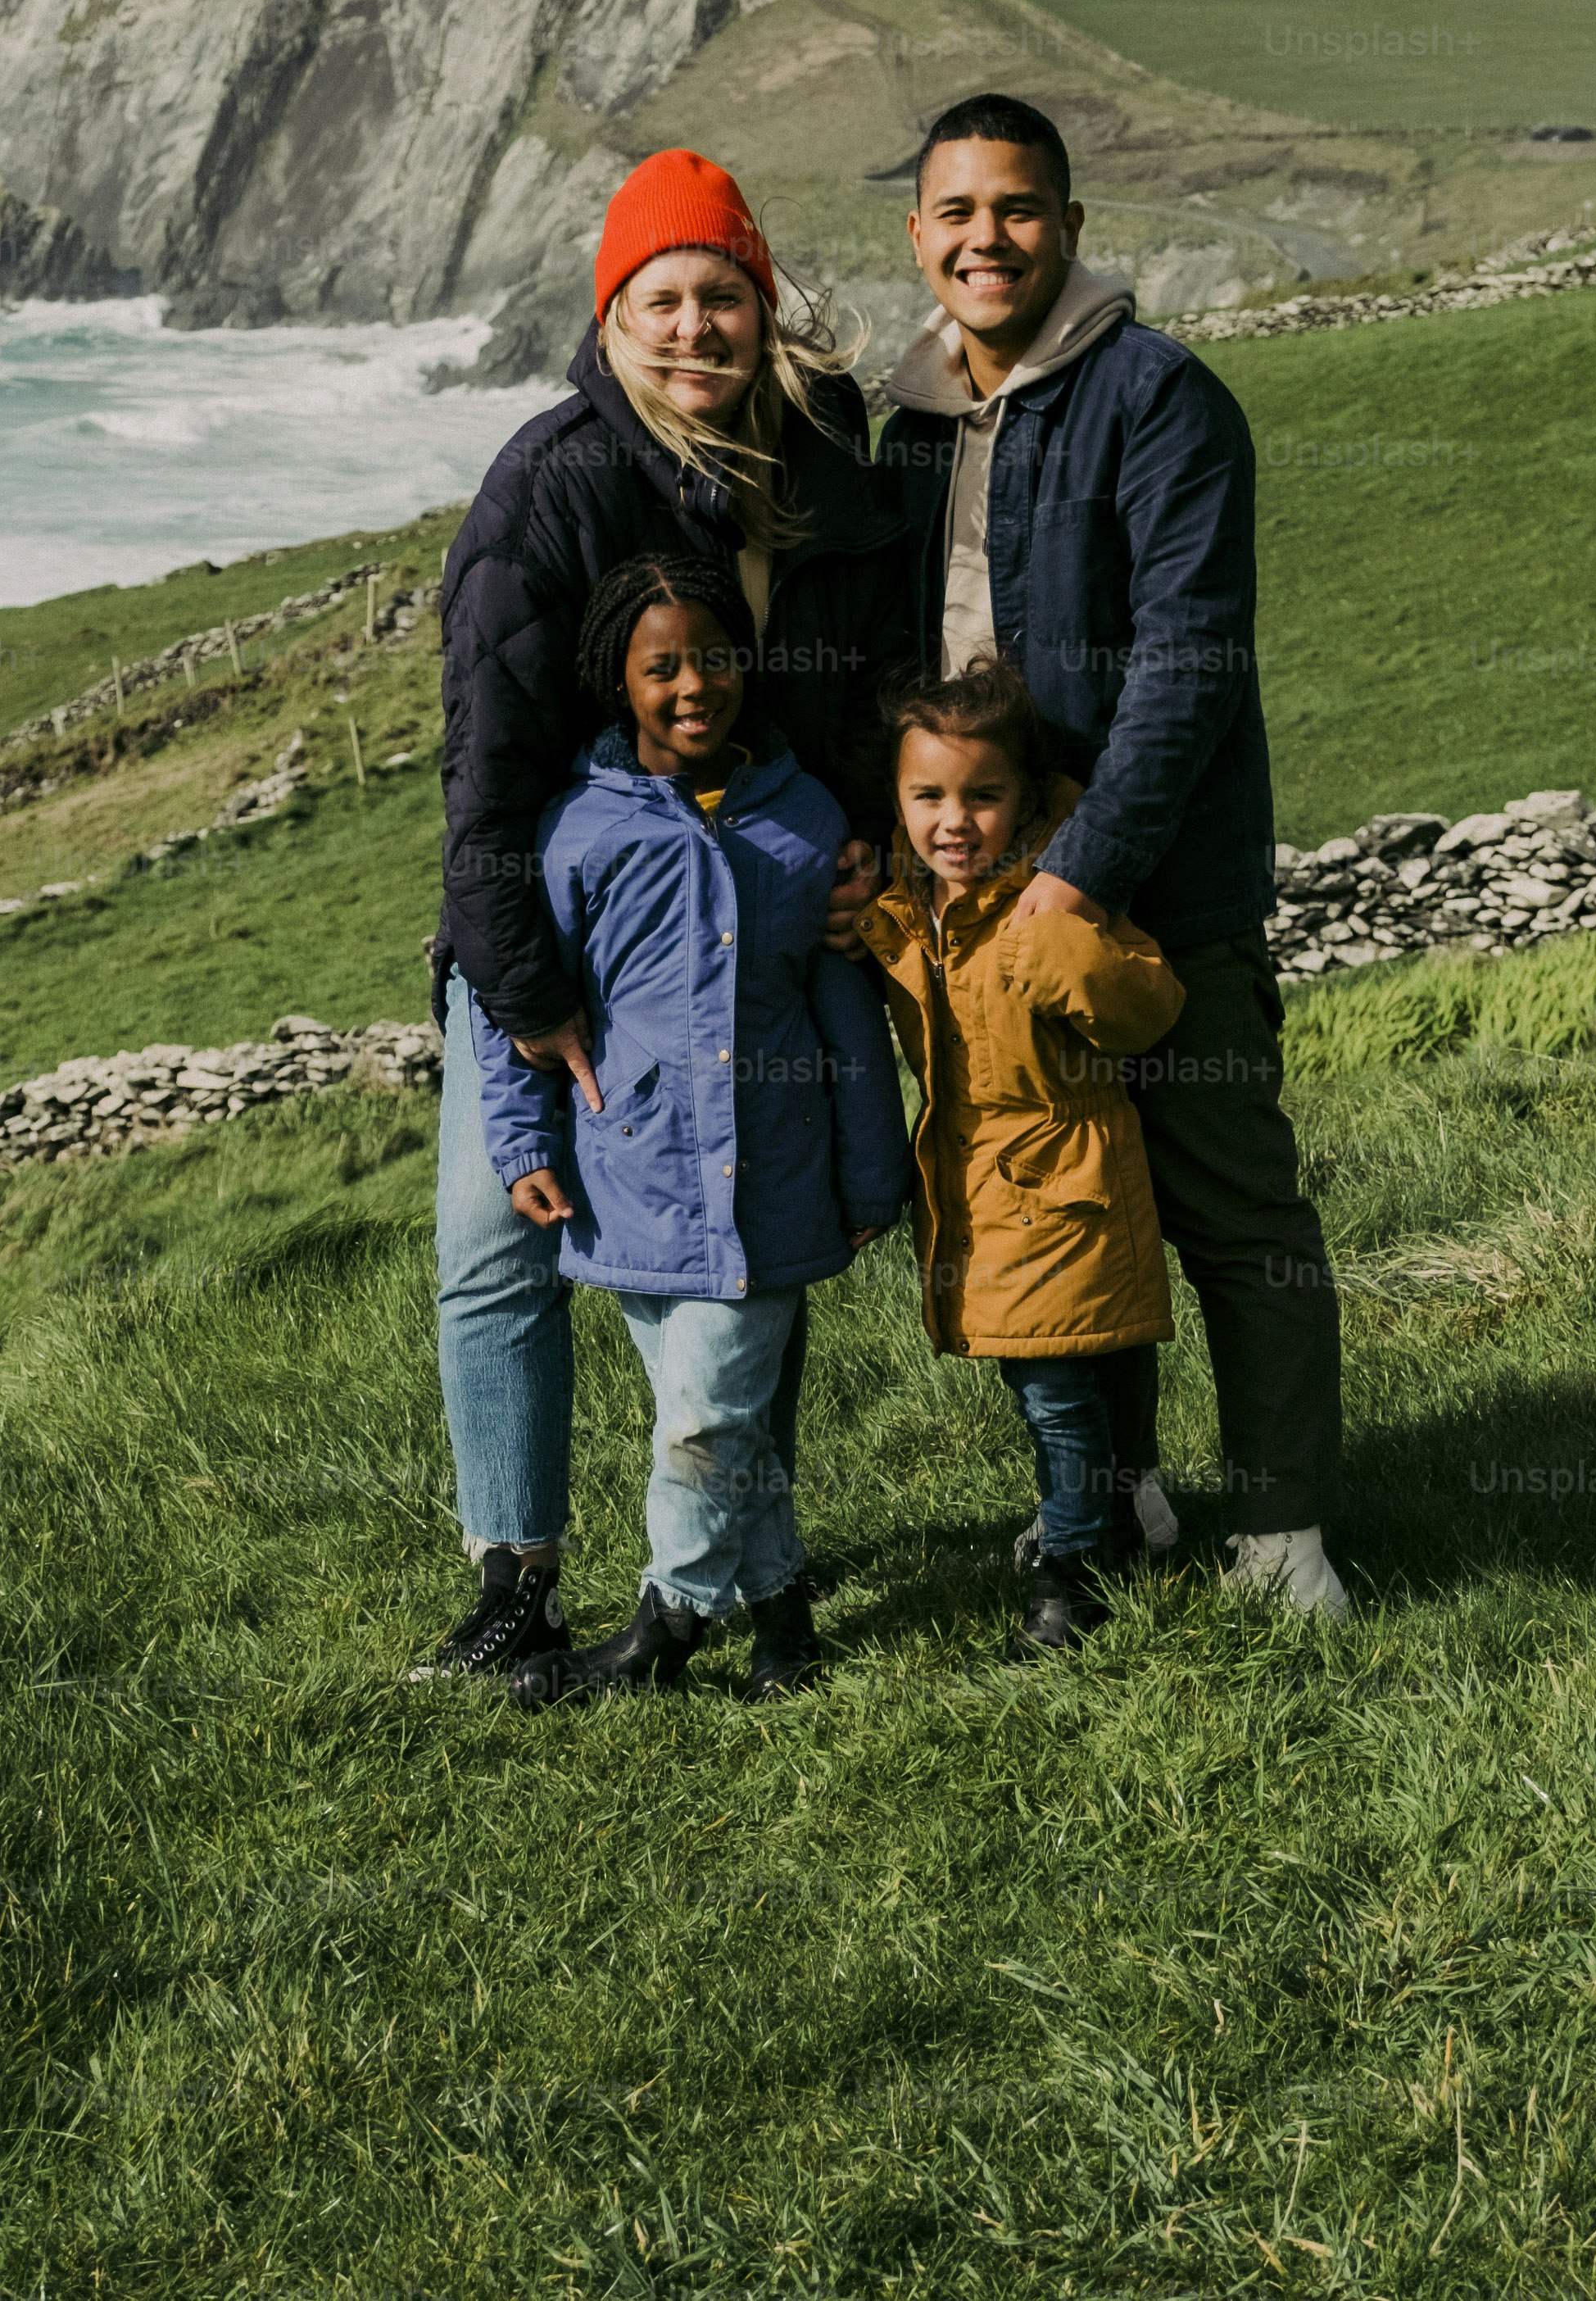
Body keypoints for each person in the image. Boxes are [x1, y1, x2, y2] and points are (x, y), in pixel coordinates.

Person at [417, 151, 925, 1683]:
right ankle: (516, 1576)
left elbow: (869, 675)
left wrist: (859, 857)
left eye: (722, 298)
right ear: (610, 314)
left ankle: (738, 1568)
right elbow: (485, 779)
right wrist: (523, 991)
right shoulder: (552, 482)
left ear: (760, 308)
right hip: (559, 918)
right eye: (662, 302)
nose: (694, 329)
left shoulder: (826, 458)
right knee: (494, 1236)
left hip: (761, 900)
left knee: (754, 1226)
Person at [881, 92, 1353, 1619]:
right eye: (955, 213)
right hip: (994, 903)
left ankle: (1283, 1535)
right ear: (917, 238)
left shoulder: (1161, 398)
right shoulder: (908, 432)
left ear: (1071, 228)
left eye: (1015, 208)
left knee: (1230, 1209)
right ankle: (1125, 1493)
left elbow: (1189, 659)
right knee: (1070, 1196)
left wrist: (1079, 870)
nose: (985, 238)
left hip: (1159, 894)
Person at [471, 554, 911, 1702]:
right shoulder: (576, 829)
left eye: (711, 656)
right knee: (721, 1426)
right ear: (616, 679)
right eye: (659, 664)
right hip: (628, 1179)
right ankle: (784, 1626)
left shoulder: (802, 819)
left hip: (769, 1182)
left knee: (702, 1424)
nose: (691, 684)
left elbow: (843, 1013)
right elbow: (514, 1007)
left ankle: (660, 1629)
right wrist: (522, 1144)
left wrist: (872, 1174)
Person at [857, 658, 1186, 1652]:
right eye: (928, 796)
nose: (954, 820)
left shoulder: (1050, 904)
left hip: (1067, 1183)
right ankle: (1123, 1521)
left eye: (982, 795)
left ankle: (1071, 1576)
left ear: (1029, 798)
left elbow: (1151, 1006)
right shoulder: (917, 907)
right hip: (986, 1191)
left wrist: (1066, 947)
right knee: (1085, 1379)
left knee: (1054, 1393)